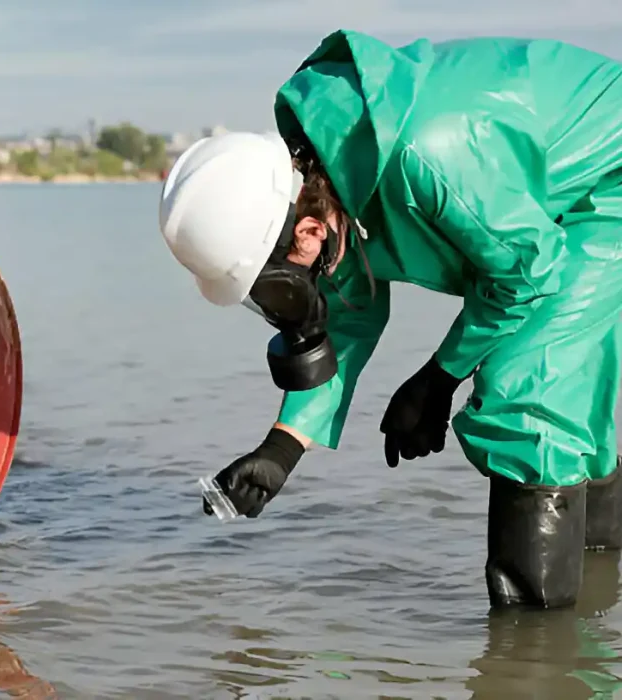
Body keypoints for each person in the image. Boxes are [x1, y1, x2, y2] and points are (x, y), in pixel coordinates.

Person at [158, 29, 622, 610]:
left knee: (527, 392)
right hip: (537, 199)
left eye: (272, 287)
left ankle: (535, 656)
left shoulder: (428, 156)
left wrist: (440, 377)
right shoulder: (326, 182)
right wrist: (282, 448)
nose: (281, 304)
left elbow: (525, 271)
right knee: (570, 403)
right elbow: (349, 311)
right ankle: (599, 618)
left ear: (305, 234)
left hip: (607, 184)